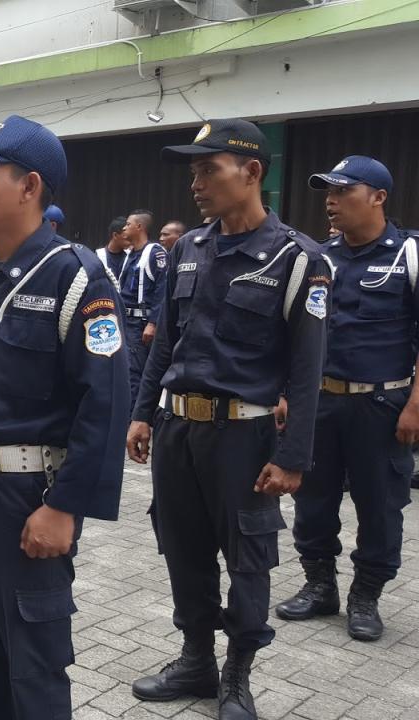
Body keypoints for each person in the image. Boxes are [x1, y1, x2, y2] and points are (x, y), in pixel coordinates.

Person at [0, 114, 129, 720]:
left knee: (33, 666)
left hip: (26, 497)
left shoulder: (78, 277)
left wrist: (65, 507)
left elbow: (106, 405)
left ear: (30, 186)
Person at [127, 119, 329, 720]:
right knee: (183, 548)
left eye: (208, 169)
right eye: (192, 171)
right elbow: (165, 341)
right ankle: (195, 659)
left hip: (245, 434)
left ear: (253, 172)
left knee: (247, 554)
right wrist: (142, 413)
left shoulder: (298, 259)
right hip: (177, 429)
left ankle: (237, 672)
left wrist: (294, 457)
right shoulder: (187, 249)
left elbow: (307, 368)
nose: (196, 182)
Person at [274, 156, 415, 643]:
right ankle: (319, 586)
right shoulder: (318, 258)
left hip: (382, 405)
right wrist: (287, 394)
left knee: (380, 505)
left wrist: (416, 405)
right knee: (313, 499)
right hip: (321, 402)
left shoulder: (409, 255)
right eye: (327, 193)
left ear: (378, 197)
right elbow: (294, 336)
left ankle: (366, 596)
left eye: (343, 192)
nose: (331, 203)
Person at [118, 209, 167, 404]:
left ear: (139, 227)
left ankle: (132, 422)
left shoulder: (154, 253)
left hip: (140, 323)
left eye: (128, 224)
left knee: (134, 373)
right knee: (126, 370)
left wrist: (153, 323)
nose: (124, 227)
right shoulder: (129, 255)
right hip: (125, 320)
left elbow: (162, 291)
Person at [96, 216, 130, 283]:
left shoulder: (130, 256)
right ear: (115, 235)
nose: (130, 242)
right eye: (127, 239)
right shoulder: (99, 256)